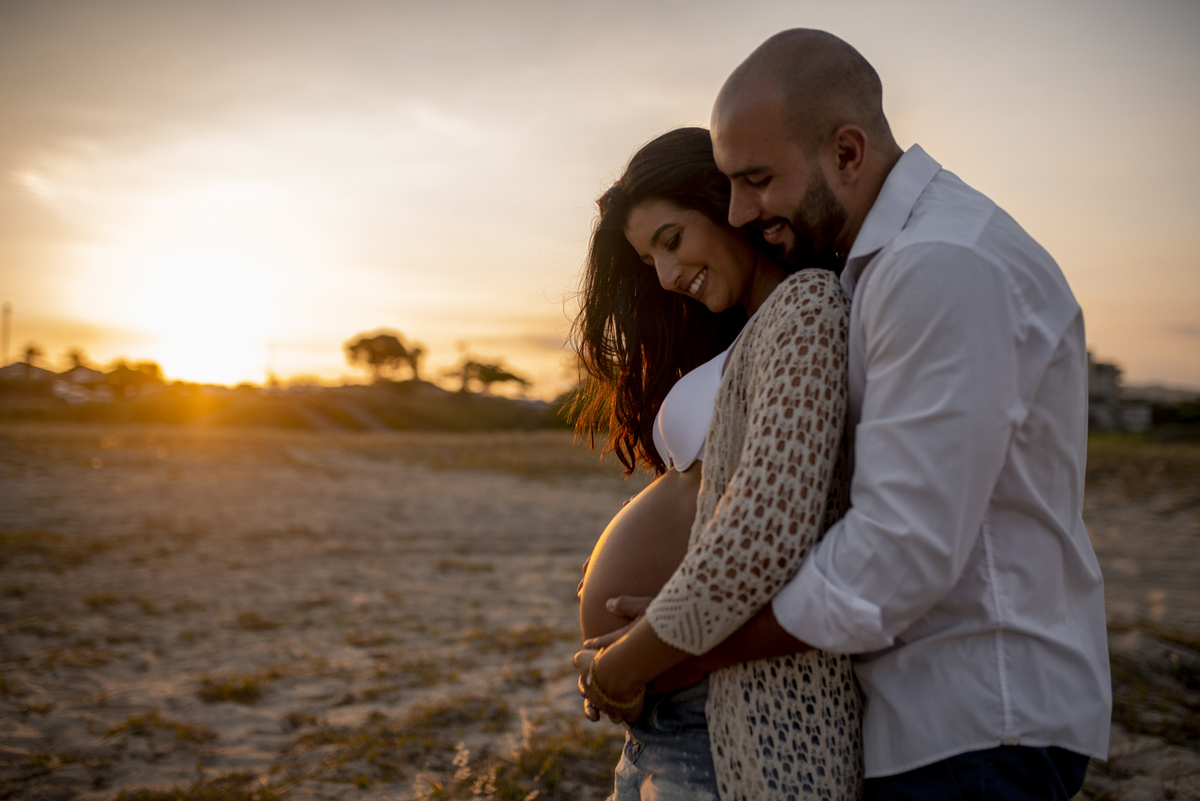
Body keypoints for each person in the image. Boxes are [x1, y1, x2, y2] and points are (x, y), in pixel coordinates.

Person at [622, 29, 1109, 800]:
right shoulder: (883, 268)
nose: (742, 212)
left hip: (976, 720)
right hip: (930, 718)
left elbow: (893, 557)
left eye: (757, 180)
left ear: (848, 153)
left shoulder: (942, 262)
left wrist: (677, 651)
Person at [572, 127, 864, 800]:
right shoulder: (748, 332)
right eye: (651, 261)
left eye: (673, 240)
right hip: (672, 716)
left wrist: (625, 661)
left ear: (726, 203)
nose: (668, 276)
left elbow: (762, 537)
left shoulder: (806, 305)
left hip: (726, 719)